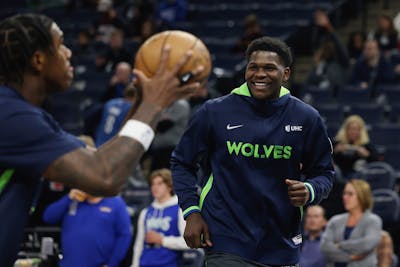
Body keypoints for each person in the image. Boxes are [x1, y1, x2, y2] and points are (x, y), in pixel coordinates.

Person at [0, 13, 202, 267]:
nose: (69, 53)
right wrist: (153, 104)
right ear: (38, 59)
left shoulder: (20, 114)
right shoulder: (12, 116)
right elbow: (104, 177)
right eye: (60, 44)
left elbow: (102, 162)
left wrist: (143, 105)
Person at [171, 36, 334, 266]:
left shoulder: (306, 118)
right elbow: (181, 162)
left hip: (281, 243)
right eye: (253, 67)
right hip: (227, 239)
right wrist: (191, 211)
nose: (259, 74)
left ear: (285, 74)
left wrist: (310, 190)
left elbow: (324, 173)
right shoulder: (215, 112)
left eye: (269, 68)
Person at [43, 188, 131, 267]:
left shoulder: (115, 203)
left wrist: (112, 264)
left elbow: (124, 235)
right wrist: (68, 198)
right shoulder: (72, 200)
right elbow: (48, 218)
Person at [132, 168, 189, 267]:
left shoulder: (179, 210)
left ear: (169, 186)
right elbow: (139, 244)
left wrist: (162, 240)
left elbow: (189, 243)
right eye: (153, 184)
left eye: (159, 184)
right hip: (144, 263)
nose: (155, 187)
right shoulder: (145, 212)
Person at [320, 179, 382, 267]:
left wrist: (340, 245)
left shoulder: (373, 220)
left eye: (350, 194)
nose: (345, 197)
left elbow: (366, 245)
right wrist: (350, 257)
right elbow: (325, 247)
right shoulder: (335, 220)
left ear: (362, 196)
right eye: (344, 193)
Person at [333, 115, 378, 179]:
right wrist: (336, 151)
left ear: (361, 131)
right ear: (346, 130)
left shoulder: (366, 145)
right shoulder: (337, 143)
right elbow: (326, 158)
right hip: (339, 174)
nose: (354, 132)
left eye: (357, 129)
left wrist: (367, 155)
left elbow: (376, 161)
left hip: (358, 175)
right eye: (351, 129)